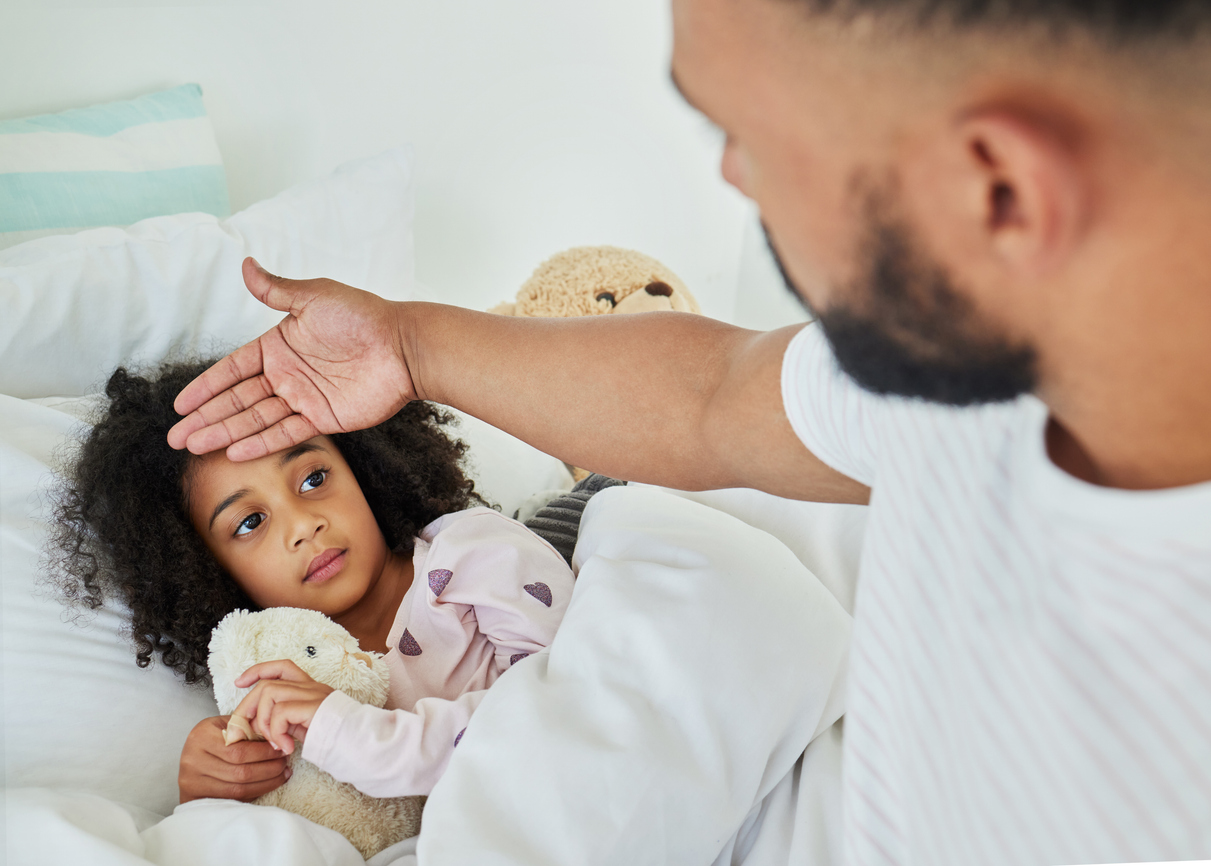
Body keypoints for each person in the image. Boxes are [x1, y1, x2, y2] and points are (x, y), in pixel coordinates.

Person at [165, 0, 1211, 862]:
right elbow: (711, 392)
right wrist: (407, 344)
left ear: (997, 187)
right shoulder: (963, 366)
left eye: (749, 137)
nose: (733, 181)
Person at [49, 359, 575, 803]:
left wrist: (346, 731)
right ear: (206, 570)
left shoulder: (474, 554)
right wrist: (209, 789)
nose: (305, 526)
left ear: (361, 463)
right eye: (250, 523)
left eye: (313, 478)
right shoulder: (275, 685)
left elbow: (561, 714)